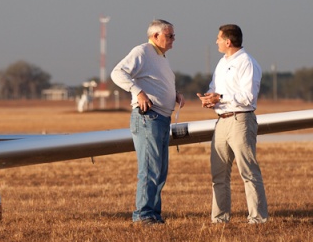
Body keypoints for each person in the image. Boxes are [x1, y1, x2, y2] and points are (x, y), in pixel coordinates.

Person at [111, 19, 185, 225]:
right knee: (150, 168)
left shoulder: (161, 57)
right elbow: (117, 73)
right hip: (148, 118)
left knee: (160, 170)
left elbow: (157, 82)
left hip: (162, 119)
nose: (173, 40)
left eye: (173, 36)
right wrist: (138, 92)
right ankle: (143, 215)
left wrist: (175, 94)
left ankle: (154, 214)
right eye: (169, 36)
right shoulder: (142, 52)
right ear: (155, 36)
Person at [197, 24, 267, 224]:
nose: (216, 42)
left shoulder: (248, 63)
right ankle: (219, 219)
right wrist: (209, 98)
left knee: (248, 171)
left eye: (218, 38)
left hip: (241, 120)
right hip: (221, 121)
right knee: (218, 173)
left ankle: (258, 218)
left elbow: (248, 97)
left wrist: (220, 97)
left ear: (228, 41)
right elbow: (215, 89)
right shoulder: (221, 63)